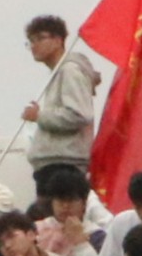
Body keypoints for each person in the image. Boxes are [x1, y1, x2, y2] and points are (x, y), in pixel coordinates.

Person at [21, 14, 99, 185]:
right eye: (31, 41)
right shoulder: (59, 72)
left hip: (63, 164)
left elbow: (79, 114)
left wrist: (39, 116)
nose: (34, 45)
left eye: (40, 38)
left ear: (58, 40)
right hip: (54, 162)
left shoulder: (69, 71)